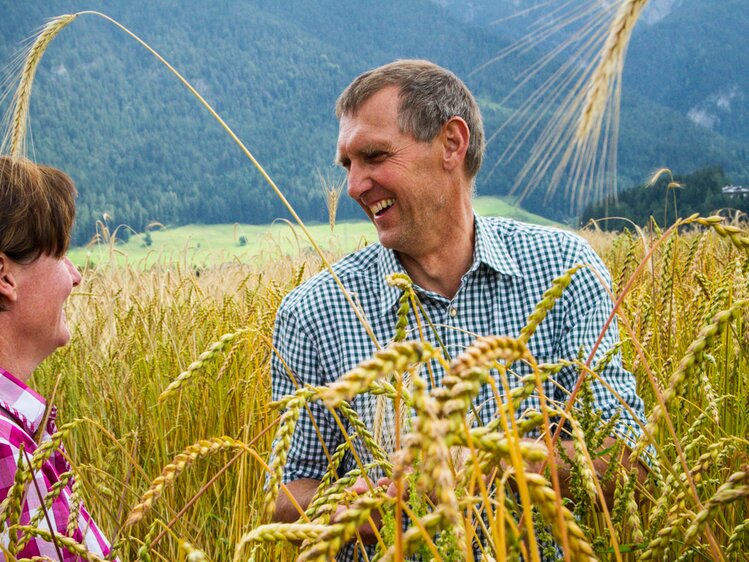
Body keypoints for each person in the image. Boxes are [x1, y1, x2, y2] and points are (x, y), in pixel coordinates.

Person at [271, 60, 645, 560]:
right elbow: (287, 495)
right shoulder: (312, 311)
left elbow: (631, 468)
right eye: (348, 165)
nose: (355, 186)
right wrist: (344, 508)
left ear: (452, 144)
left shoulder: (565, 269)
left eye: (374, 156)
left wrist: (476, 467)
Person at [0, 156, 117, 559]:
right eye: (62, 253)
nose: (76, 275)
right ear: (5, 277)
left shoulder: (21, 436)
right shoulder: (7, 454)